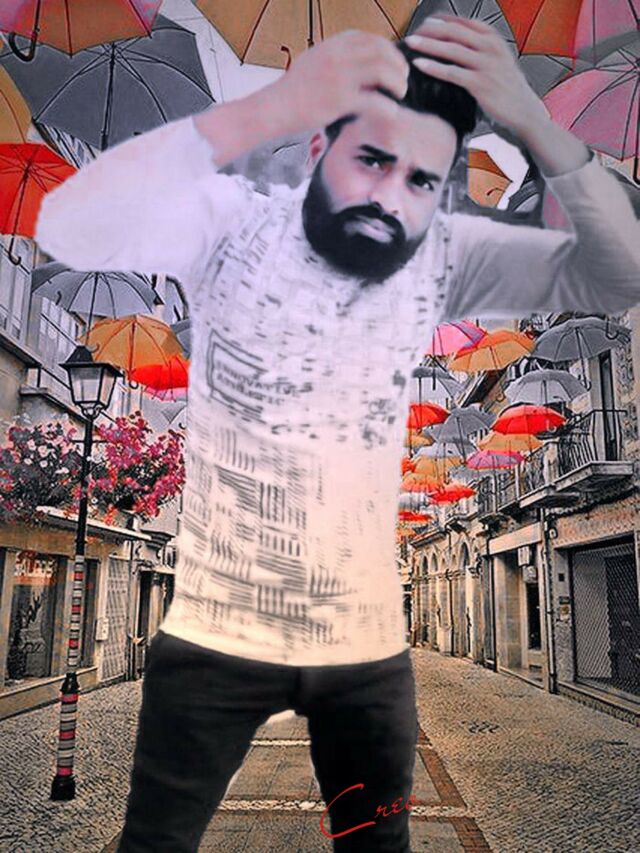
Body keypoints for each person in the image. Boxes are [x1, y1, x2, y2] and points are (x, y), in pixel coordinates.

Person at [35, 14, 639, 853]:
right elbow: (71, 224)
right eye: (373, 160)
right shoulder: (230, 222)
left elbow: (619, 268)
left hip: (362, 655)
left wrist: (535, 124)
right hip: (215, 638)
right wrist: (265, 110)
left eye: (421, 180)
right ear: (319, 147)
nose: (391, 196)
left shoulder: (433, 256)